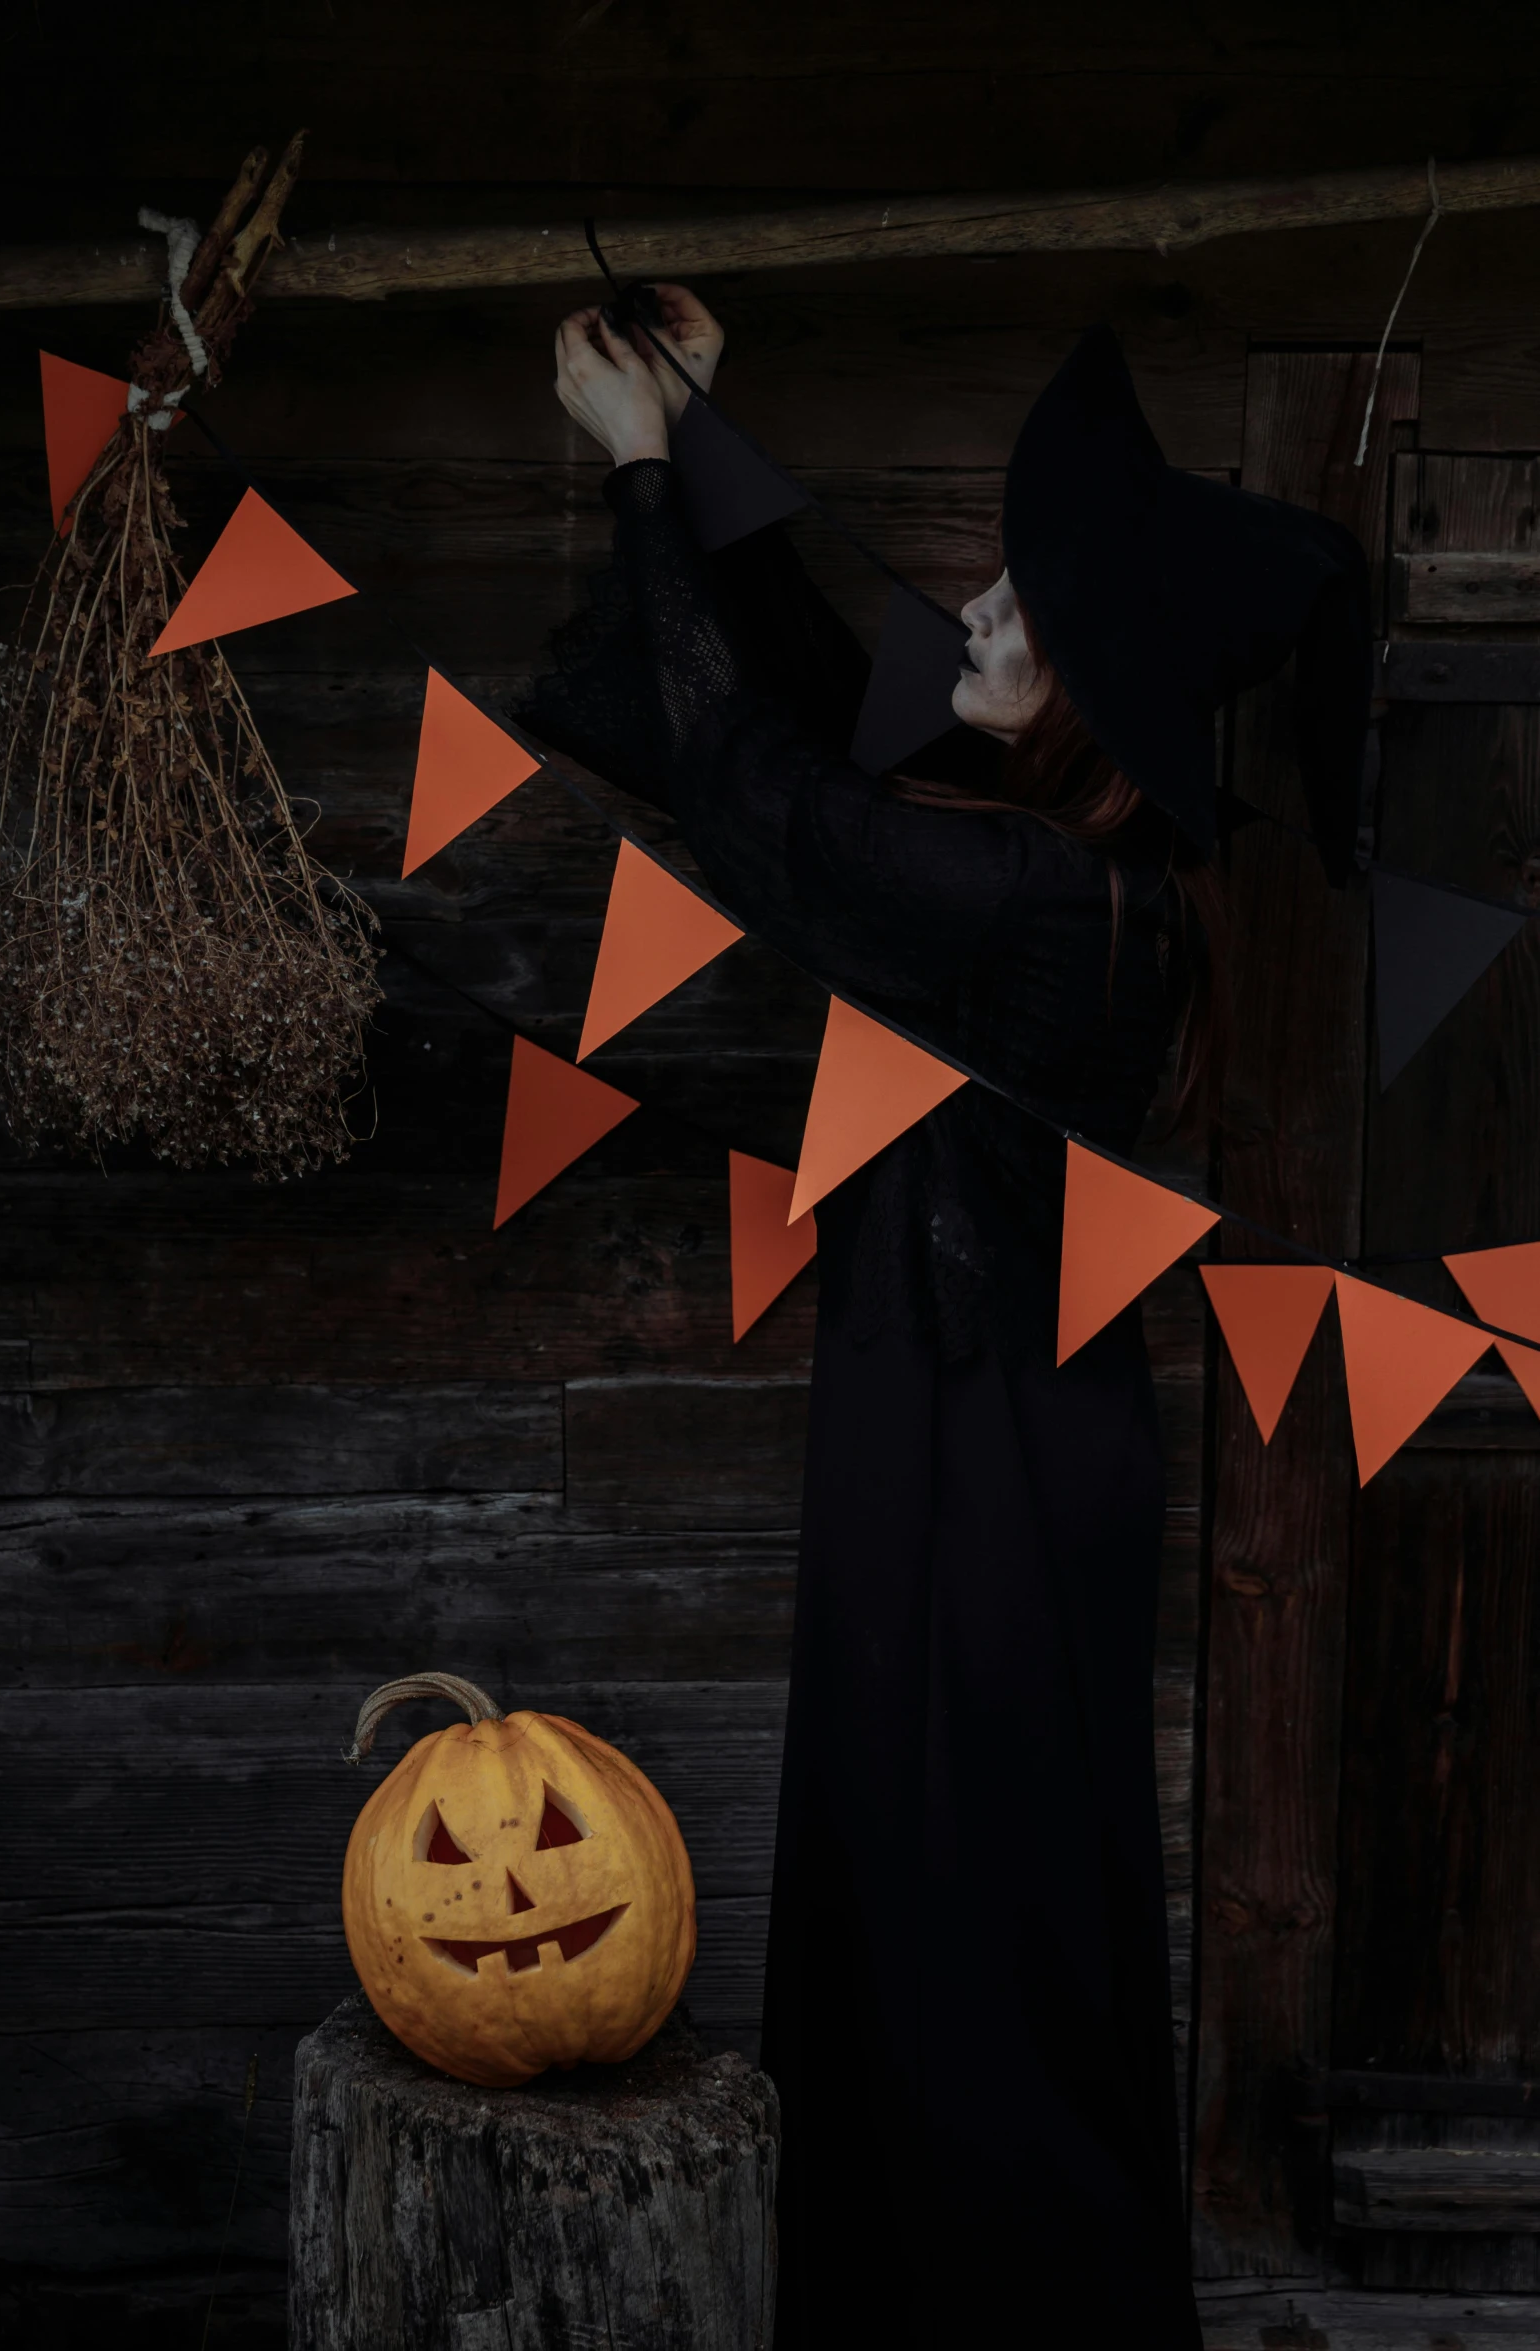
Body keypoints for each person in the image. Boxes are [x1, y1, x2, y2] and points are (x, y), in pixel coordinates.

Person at [518, 290, 1371, 2348]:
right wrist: (702, 437)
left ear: (1104, 707)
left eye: (1029, 610)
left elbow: (753, 782)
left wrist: (641, 466)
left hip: (992, 1454)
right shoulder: (1033, 848)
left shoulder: (1034, 909)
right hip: (959, 1416)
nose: (980, 609)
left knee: (974, 1911)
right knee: (916, 1896)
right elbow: (817, 680)